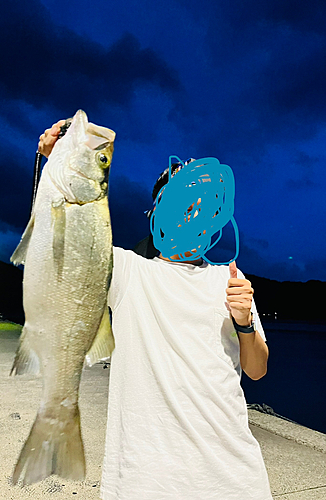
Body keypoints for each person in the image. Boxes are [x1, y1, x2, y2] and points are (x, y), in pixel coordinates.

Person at [39, 121, 273, 500]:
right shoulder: (128, 272)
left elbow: (257, 369)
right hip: (146, 478)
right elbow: (61, 236)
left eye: (200, 204)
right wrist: (56, 165)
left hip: (232, 478)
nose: (192, 212)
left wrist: (244, 324)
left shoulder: (228, 279)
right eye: (182, 201)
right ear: (157, 211)